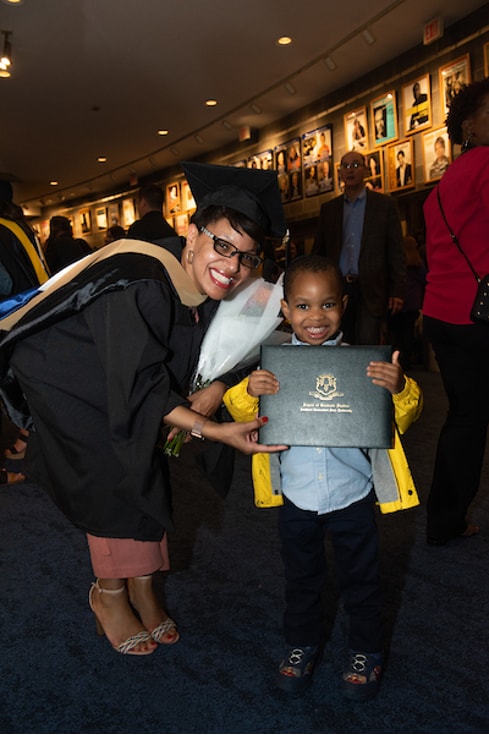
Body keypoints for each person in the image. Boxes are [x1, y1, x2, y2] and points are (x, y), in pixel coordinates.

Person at [0, 161, 287, 655]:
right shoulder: (141, 277)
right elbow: (136, 385)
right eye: (222, 245)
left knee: (144, 468)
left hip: (125, 380)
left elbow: (209, 352)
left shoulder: (210, 280)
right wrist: (212, 431)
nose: (233, 267)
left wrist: (216, 385)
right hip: (72, 381)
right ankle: (108, 594)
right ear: (192, 234)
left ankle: (144, 587)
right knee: (116, 477)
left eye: (246, 256)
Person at [223, 255, 422, 699]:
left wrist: (400, 387)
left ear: (344, 306)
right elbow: (241, 415)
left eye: (328, 305)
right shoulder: (271, 369)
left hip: (353, 498)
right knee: (301, 580)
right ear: (286, 311)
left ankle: (366, 650)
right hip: (296, 500)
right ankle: (300, 645)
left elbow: (404, 419)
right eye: (304, 306)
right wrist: (245, 390)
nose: (316, 317)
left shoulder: (364, 365)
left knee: (362, 581)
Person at [422, 77, 489, 546]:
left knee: (465, 417)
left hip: (443, 316)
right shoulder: (488, 163)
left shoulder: (441, 184)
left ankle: (444, 521)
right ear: (469, 124)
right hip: (481, 314)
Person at [312, 150, 405, 344]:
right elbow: (318, 252)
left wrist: (397, 290)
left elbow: (396, 251)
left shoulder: (384, 205)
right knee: (339, 341)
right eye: (345, 166)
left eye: (355, 165)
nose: (350, 170)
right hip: (337, 287)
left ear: (365, 170)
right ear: (339, 173)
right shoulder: (329, 209)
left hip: (371, 286)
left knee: (367, 342)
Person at [0, 179, 50, 476]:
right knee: (29, 384)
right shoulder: (17, 226)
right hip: (35, 313)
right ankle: (29, 439)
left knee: (15, 387)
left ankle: (31, 441)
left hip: (11, 317)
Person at [386, 235, 427, 369]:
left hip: (395, 303)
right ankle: (406, 361)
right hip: (412, 304)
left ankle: (394, 359)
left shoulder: (396, 265)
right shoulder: (419, 264)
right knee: (408, 334)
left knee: (394, 333)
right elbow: (424, 281)